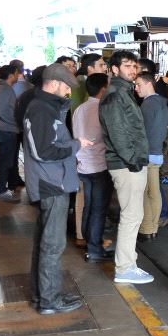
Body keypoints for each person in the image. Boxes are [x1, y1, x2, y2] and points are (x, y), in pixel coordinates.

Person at [23, 63, 93, 314]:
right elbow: (44, 151)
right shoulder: (42, 109)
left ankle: (41, 296)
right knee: (52, 246)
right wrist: (76, 145)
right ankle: (49, 301)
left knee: (45, 243)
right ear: (53, 83)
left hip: (52, 181)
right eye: (65, 87)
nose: (67, 93)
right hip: (51, 184)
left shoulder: (45, 106)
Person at [99, 50, 153, 284]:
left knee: (134, 215)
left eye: (135, 66)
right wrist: (134, 160)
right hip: (126, 164)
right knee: (131, 216)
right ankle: (124, 268)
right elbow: (118, 133)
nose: (133, 70)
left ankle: (128, 263)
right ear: (114, 69)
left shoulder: (123, 92)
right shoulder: (115, 96)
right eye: (127, 66)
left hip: (129, 162)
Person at [73, 73, 114, 263]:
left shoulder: (79, 109)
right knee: (98, 209)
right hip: (99, 165)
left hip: (82, 166)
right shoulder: (102, 109)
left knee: (89, 206)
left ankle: (90, 243)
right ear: (103, 89)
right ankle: (94, 249)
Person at [136, 72, 168, 243]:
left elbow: (141, 132)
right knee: (154, 192)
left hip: (147, 153)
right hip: (157, 153)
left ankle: (146, 229)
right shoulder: (162, 103)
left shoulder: (147, 105)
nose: (136, 88)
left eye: (139, 84)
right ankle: (154, 227)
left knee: (145, 193)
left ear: (149, 83)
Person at [0, 64, 21, 202]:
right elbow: (3, 111)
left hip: (4, 129)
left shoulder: (1, 87)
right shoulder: (4, 89)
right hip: (7, 130)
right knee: (5, 161)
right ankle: (1, 191)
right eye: (17, 73)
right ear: (11, 75)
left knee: (5, 161)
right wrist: (16, 123)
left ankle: (3, 189)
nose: (18, 75)